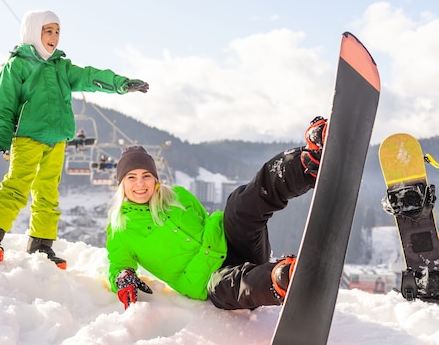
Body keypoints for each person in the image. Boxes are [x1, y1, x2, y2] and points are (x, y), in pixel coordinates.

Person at [0, 9, 149, 270]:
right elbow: (4, 105)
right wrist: (0, 136)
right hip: (27, 138)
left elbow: (90, 76)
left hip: (56, 141)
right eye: (48, 31)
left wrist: (120, 84)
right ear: (34, 32)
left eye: (57, 31)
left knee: (47, 193)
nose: (54, 37)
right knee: (17, 187)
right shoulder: (17, 66)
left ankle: (41, 245)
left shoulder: (62, 67)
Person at [105, 116, 327, 310]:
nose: (140, 184)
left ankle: (305, 163)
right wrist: (123, 276)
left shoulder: (178, 196)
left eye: (146, 175)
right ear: (121, 184)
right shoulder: (120, 228)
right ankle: (284, 278)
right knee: (227, 288)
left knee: (237, 205)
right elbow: (118, 265)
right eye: (131, 178)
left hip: (230, 243)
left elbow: (205, 220)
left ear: (155, 178)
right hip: (207, 278)